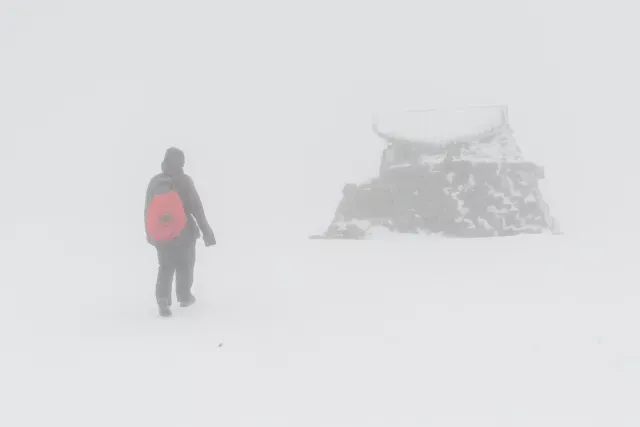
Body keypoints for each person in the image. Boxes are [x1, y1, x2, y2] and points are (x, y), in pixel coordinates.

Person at [144, 147, 216, 317]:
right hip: (183, 233)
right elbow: (196, 208)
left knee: (165, 266)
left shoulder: (155, 182)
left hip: (161, 236)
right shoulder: (184, 181)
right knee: (185, 264)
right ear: (181, 162)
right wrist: (207, 232)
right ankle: (184, 296)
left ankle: (162, 299)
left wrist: (150, 234)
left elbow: (147, 210)